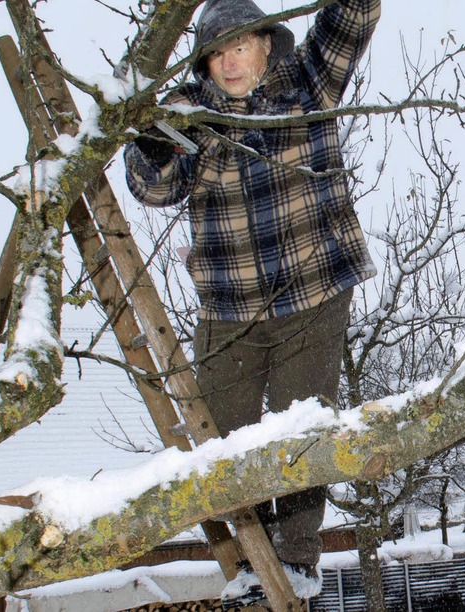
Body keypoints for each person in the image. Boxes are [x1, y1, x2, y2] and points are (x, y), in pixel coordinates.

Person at [125, 0, 381, 604]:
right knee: (223, 439)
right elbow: (152, 187)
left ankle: (295, 560)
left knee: (300, 431)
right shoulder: (194, 114)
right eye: (216, 52)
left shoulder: (308, 82)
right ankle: (246, 564)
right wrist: (159, 139)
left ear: (269, 44)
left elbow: (353, 19)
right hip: (227, 307)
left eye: (240, 46)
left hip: (311, 292)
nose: (229, 61)